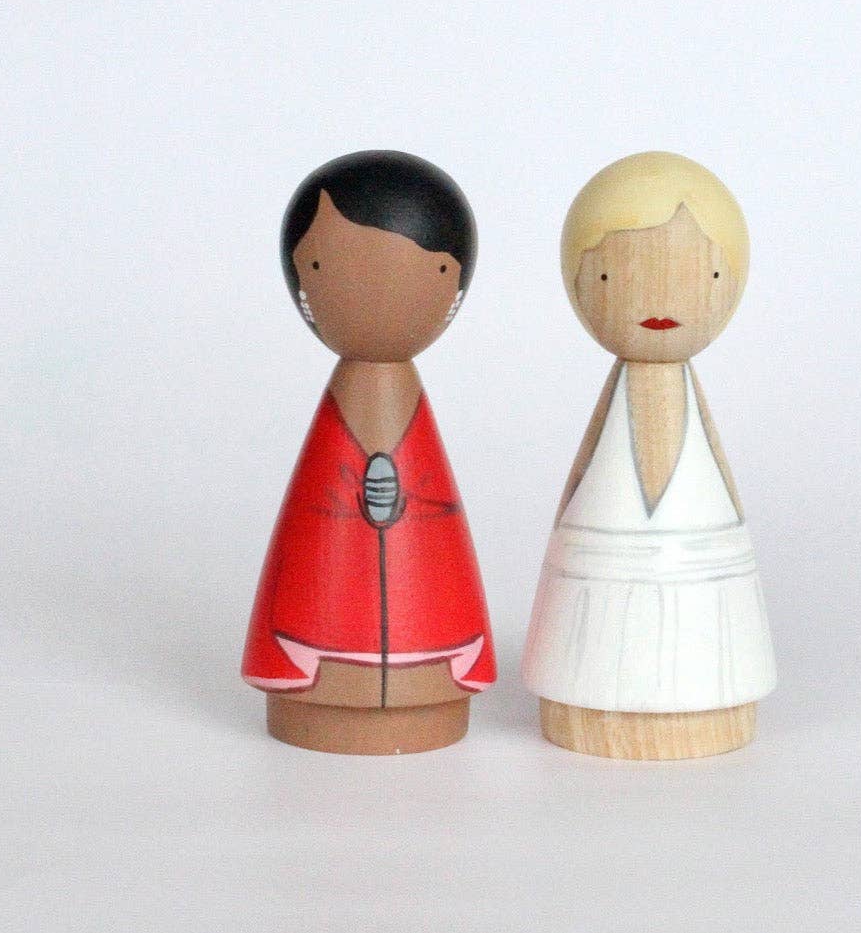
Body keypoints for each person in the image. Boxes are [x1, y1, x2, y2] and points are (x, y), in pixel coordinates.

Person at [521, 151, 775, 759]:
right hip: (583, 663)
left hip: (710, 660)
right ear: (584, 281)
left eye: (705, 274)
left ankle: (700, 693)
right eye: (610, 277)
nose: (658, 300)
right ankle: (587, 693)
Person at [243, 150, 495, 754]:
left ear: (451, 281)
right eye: (319, 265)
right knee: (308, 608)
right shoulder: (345, 422)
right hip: (314, 648)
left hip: (431, 658)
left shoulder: (400, 416)